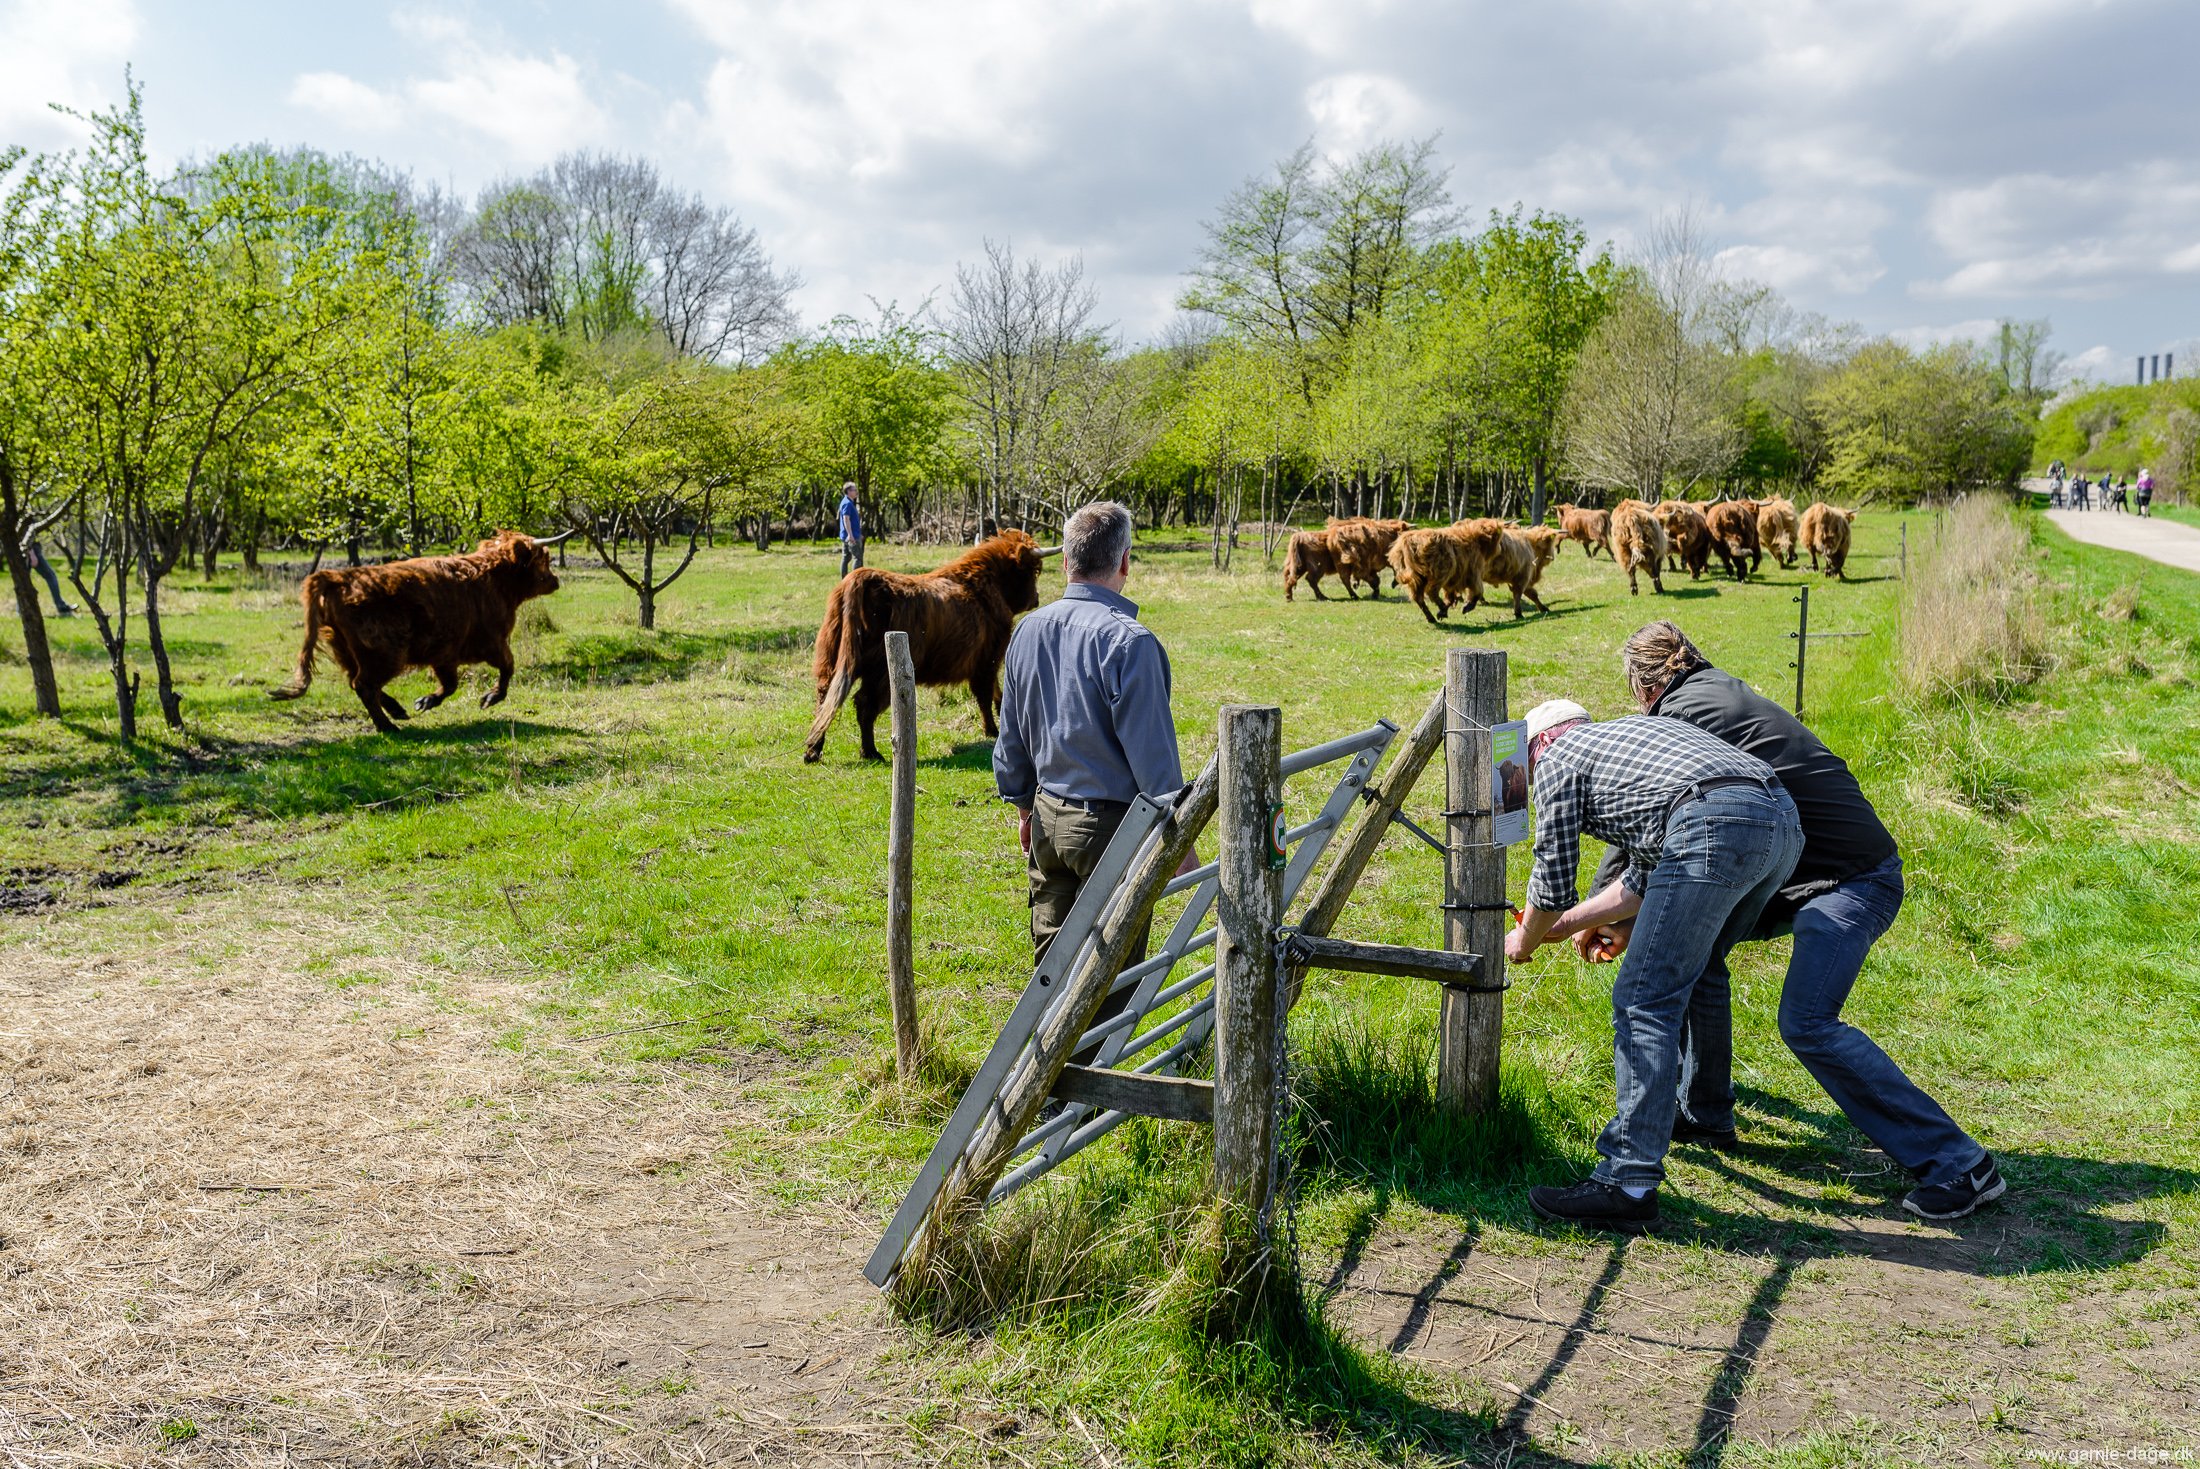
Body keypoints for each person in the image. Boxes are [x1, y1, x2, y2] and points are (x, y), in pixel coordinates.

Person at [1576, 623, 2005, 1221]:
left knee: (1806, 1022)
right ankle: (1704, 1111)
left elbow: (1645, 826)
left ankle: (1960, 1166)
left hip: (1848, 881)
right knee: (1691, 955)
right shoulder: (1715, 693)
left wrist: (1602, 909)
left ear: (1643, 686)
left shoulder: (1678, 717)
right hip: (1814, 871)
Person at [1506, 697, 1804, 1230]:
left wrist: (1525, 941)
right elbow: (1642, 879)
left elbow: (1551, 874)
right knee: (1700, 968)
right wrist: (1568, 925)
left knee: (1644, 998)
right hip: (1778, 818)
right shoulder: (1628, 748)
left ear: (1537, 746)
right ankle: (1707, 1115)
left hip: (1713, 825)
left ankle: (1629, 1181)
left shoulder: (1557, 760)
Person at [993, 501, 1189, 1060]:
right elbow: (1157, 771)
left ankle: (1046, 1078)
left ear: (1066, 563)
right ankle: (1088, 1094)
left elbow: (1012, 735)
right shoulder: (1131, 643)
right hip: (1112, 827)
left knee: (1052, 962)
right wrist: (1187, 854)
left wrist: (1025, 810)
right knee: (1110, 965)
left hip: (1048, 816)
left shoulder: (1027, 631)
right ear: (1125, 561)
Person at [25, 537, 77, 617]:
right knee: (50, 576)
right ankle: (61, 606)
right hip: (31, 550)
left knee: (23, 580)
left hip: (30, 549)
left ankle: (22, 610)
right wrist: (31, 552)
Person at [836, 482, 864, 577]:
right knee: (857, 558)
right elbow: (846, 519)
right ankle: (855, 579)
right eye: (854, 490)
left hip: (851, 534)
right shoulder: (847, 503)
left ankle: (844, 580)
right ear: (848, 491)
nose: (856, 492)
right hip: (851, 536)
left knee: (846, 558)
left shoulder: (848, 502)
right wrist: (850, 535)